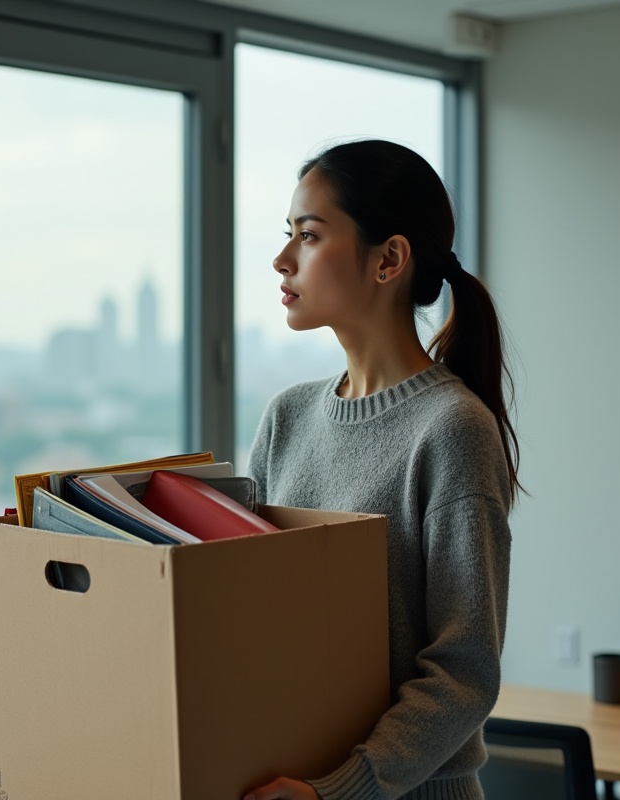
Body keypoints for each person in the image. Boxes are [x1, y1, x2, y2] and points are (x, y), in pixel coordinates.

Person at [241, 139, 520, 800]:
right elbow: (246, 612)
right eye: (289, 236)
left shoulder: (452, 429)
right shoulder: (287, 418)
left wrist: (336, 790)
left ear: (389, 259)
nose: (282, 259)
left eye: (308, 236)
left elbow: (463, 671)